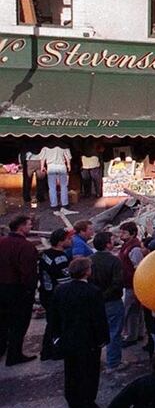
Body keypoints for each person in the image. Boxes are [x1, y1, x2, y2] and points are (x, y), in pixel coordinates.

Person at [53, 257, 109, 408]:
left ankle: (73, 401)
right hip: (88, 340)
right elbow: (98, 318)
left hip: (67, 339)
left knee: (71, 371)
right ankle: (87, 406)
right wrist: (102, 338)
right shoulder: (93, 291)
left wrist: (56, 337)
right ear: (87, 272)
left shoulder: (60, 290)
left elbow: (54, 316)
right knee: (89, 374)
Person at [1, 215, 40, 365]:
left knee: (3, 321)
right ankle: (14, 354)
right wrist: (30, 290)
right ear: (21, 227)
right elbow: (29, 273)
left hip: (2, 288)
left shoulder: (2, 242)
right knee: (19, 323)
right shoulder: (26, 247)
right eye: (29, 225)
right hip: (18, 290)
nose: (31, 227)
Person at [88, 232, 125, 370]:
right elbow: (117, 283)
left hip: (95, 302)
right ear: (107, 244)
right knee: (114, 332)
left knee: (95, 331)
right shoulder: (114, 261)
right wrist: (105, 295)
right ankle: (114, 362)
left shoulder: (90, 259)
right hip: (112, 302)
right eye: (111, 240)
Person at [39, 228, 73, 360]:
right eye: (68, 239)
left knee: (51, 323)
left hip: (46, 292)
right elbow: (65, 281)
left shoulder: (45, 254)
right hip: (57, 296)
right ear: (60, 242)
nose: (71, 241)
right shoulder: (61, 258)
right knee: (59, 325)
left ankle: (46, 351)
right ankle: (56, 351)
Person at [118, 222, 145, 346]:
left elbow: (138, 268)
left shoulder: (134, 249)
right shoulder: (127, 245)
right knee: (134, 311)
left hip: (133, 285)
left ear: (133, 234)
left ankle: (131, 336)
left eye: (124, 232)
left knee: (130, 311)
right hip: (129, 283)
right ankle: (137, 333)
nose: (121, 235)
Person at [39, 144, 72, 209]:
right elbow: (68, 157)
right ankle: (65, 204)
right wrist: (68, 165)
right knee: (63, 186)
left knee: (52, 187)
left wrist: (42, 167)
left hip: (51, 166)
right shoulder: (63, 146)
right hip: (62, 166)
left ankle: (54, 205)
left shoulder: (46, 147)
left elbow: (42, 158)